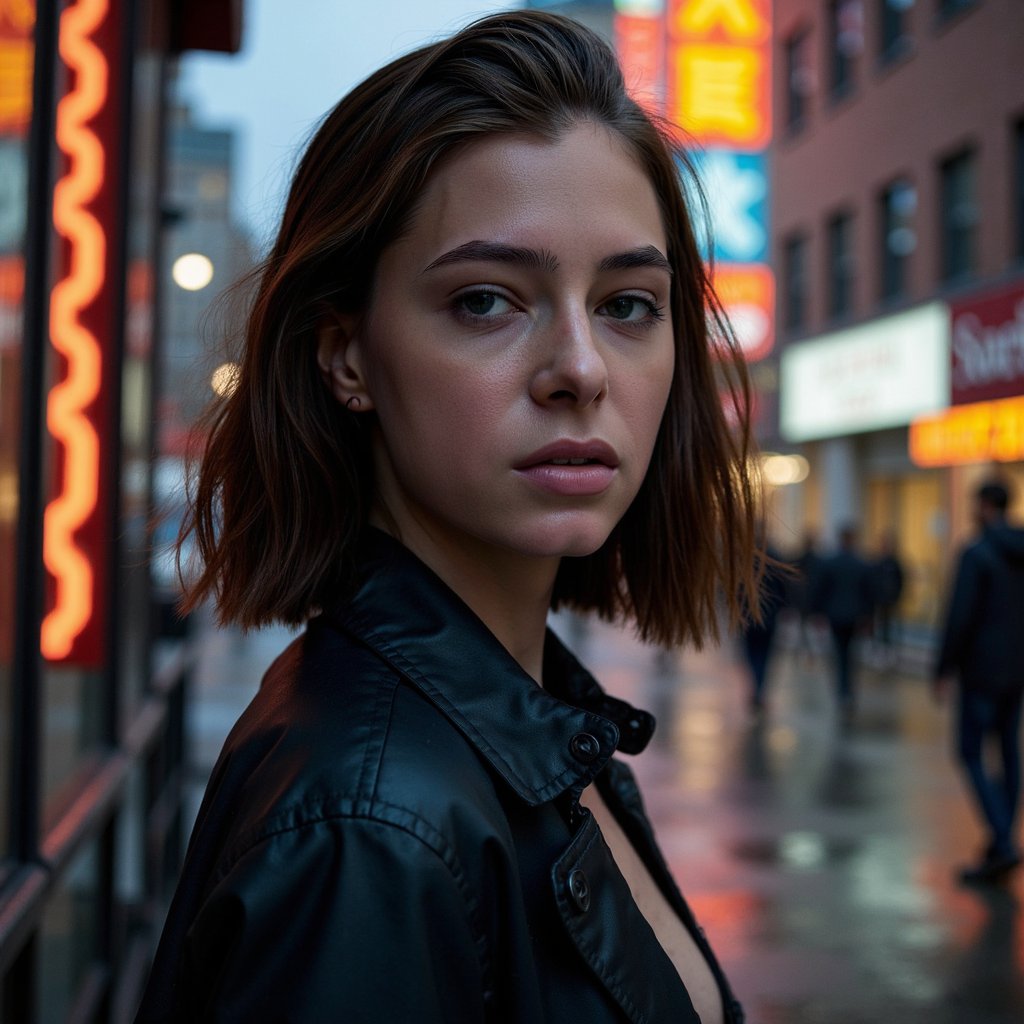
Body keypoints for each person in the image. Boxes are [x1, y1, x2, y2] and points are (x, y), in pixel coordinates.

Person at [134, 13, 761, 1024]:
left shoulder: (532, 724)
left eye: (628, 304)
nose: (580, 369)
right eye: (485, 300)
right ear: (345, 356)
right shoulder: (367, 826)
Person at [934, 480, 1024, 884]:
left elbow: (960, 617)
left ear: (985, 505)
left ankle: (1002, 841)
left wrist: (943, 669)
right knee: (1007, 752)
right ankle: (998, 843)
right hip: (1016, 670)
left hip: (981, 672)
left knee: (970, 752)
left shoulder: (976, 553)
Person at [813, 524, 874, 721]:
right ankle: (847, 691)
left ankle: (843, 692)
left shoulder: (830, 563)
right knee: (849, 655)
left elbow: (821, 590)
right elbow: (868, 595)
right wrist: (867, 617)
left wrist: (818, 613)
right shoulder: (861, 564)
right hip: (854, 617)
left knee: (840, 654)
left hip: (836, 616)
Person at [870, 532, 904, 661]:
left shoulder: (894, 562)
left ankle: (889, 649)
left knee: (889, 625)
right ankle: (879, 649)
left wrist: (896, 595)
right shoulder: (878, 561)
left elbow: (900, 580)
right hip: (879, 599)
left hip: (890, 599)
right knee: (879, 624)